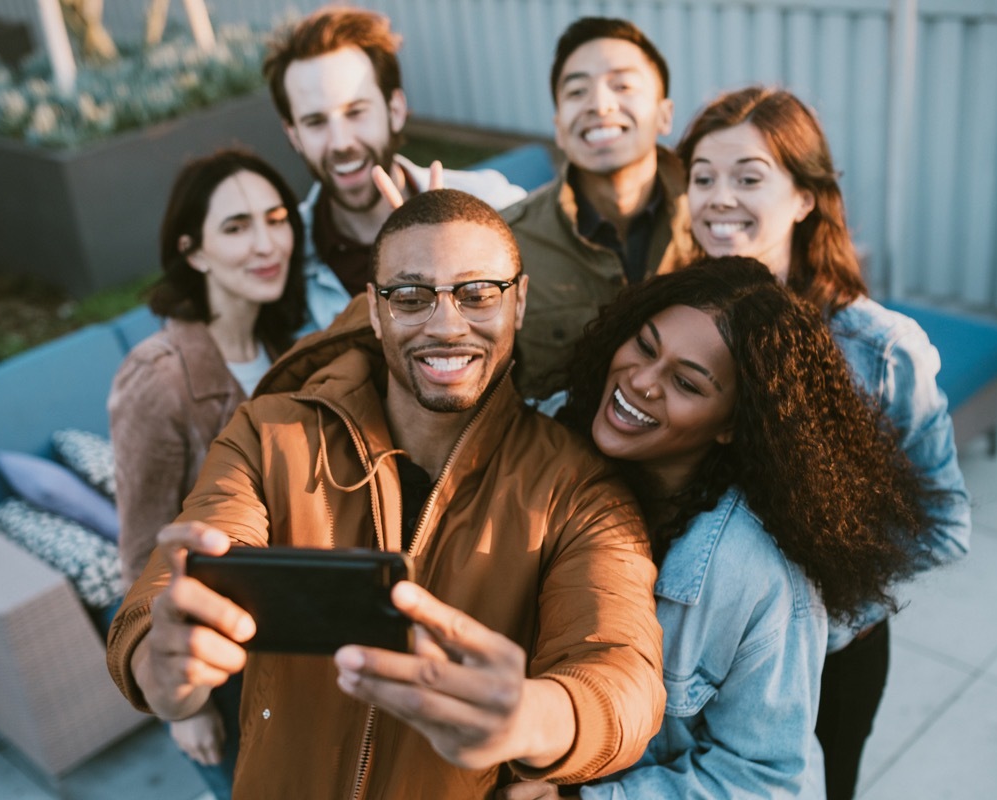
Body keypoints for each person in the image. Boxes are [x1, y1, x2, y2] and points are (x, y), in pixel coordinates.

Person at [105, 189, 665, 799]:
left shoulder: (580, 490)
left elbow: (624, 675)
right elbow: (159, 600)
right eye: (411, 297)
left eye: (478, 294)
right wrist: (162, 668)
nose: (447, 325)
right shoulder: (269, 432)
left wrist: (535, 716)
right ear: (374, 311)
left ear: (520, 302)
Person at [502, 257, 934, 799]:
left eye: (686, 382)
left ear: (733, 423)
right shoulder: (554, 425)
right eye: (643, 344)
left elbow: (763, 780)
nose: (640, 382)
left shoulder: (756, 572)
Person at [675, 86, 972, 799]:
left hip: (834, 659)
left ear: (806, 197)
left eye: (749, 177)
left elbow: (946, 524)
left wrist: (820, 593)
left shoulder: (883, 349)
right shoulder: (675, 319)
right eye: (703, 176)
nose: (720, 197)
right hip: (693, 655)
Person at [107, 148, 306, 799]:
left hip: (296, 636)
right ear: (193, 252)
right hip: (224, 657)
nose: (266, 241)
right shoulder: (158, 376)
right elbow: (142, 549)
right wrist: (186, 707)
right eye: (236, 227)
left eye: (276, 219)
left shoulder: (288, 349)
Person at [263, 4, 526, 333]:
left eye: (355, 112)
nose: (341, 142)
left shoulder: (493, 205)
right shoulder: (280, 260)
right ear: (294, 136)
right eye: (315, 122)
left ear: (396, 109)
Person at [502, 16, 697, 398]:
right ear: (559, 126)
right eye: (577, 92)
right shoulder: (508, 245)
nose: (600, 105)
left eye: (622, 85)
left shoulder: (712, 219)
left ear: (664, 114)